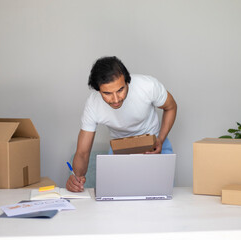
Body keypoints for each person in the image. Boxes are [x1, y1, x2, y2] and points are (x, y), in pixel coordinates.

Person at [66, 56, 177, 192]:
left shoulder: (148, 85)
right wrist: (76, 177)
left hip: (154, 143)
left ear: (127, 81)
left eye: (120, 90)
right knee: (116, 199)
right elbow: (83, 152)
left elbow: (171, 107)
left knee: (161, 196)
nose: (116, 99)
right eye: (107, 93)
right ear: (98, 90)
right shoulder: (93, 104)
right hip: (120, 147)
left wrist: (160, 139)